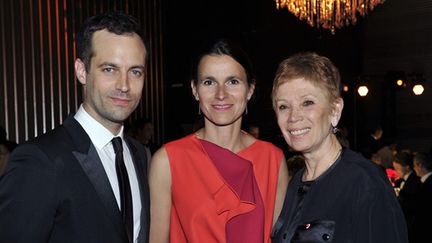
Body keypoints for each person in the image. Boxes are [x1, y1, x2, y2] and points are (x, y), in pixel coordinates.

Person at [0, 12, 150, 243]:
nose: (124, 85)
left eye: (135, 71)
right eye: (109, 69)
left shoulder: (140, 154)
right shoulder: (39, 160)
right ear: (82, 71)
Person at [149, 39, 289, 243]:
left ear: (249, 90)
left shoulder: (273, 159)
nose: (221, 94)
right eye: (209, 82)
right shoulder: (168, 160)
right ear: (195, 90)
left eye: (233, 82)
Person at [270, 52, 408, 243]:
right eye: (283, 106)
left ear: (335, 110)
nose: (294, 117)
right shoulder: (294, 184)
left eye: (307, 102)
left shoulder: (365, 182)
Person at [392, 151, 421, 242]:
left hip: (411, 222)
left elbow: (413, 203)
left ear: (407, 168)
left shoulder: (415, 181)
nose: (395, 172)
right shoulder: (399, 181)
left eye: (397, 169)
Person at [412, 152, 432, 243]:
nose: (414, 168)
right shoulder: (425, 182)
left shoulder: (426, 186)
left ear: (420, 165)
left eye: (414, 165)